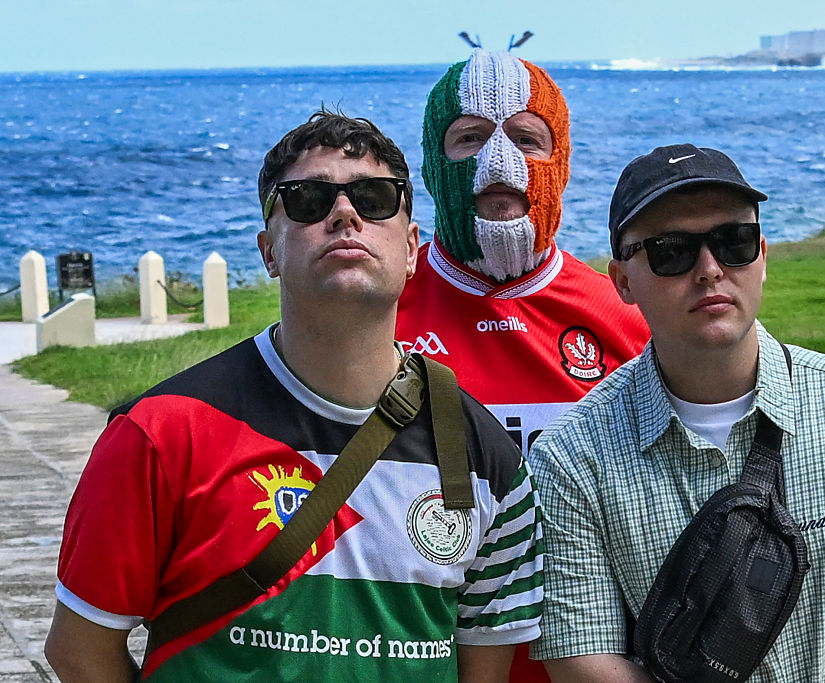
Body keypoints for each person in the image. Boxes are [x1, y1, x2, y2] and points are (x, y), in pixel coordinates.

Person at [44, 111, 543, 682]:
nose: (344, 214)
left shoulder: (484, 455)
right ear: (269, 251)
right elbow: (80, 649)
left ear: (411, 251)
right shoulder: (161, 433)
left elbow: (485, 673)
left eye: (375, 197)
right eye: (307, 199)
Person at [529, 144, 825, 681]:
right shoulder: (572, 456)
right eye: (671, 250)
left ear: (762, 256)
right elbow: (581, 656)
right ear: (622, 280)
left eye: (733, 242)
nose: (709, 270)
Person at [397, 49, 649, 456]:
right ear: (432, 166)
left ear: (561, 163)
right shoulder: (379, 315)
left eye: (526, 140)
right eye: (470, 137)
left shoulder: (625, 317)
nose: (498, 162)